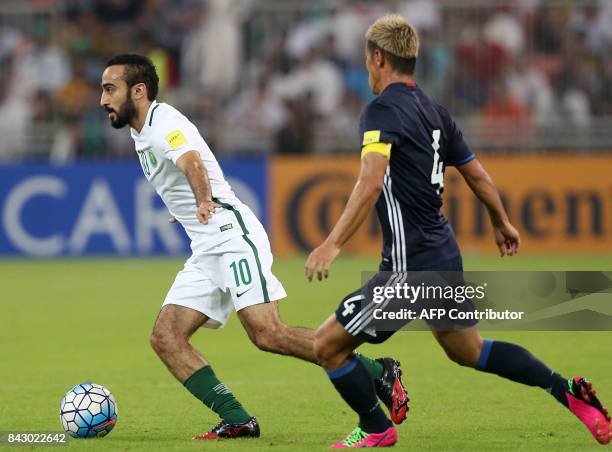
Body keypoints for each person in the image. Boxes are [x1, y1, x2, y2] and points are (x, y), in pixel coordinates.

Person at [305, 15, 611, 449]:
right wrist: (500, 220)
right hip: (443, 256)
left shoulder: (380, 111)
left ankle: (376, 427)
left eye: (368, 62)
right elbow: (478, 175)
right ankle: (566, 390)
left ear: (378, 58)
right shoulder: (435, 112)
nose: (368, 71)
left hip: (409, 271)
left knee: (327, 346)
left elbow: (370, 182)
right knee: (470, 350)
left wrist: (332, 243)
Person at [99, 54, 408, 440]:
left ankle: (379, 371)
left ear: (138, 90)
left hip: (231, 236)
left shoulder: (164, 122)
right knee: (166, 337)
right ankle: (238, 420)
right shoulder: (141, 129)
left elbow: (192, 161)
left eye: (110, 89)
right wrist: (189, 208)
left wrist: (202, 199)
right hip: (206, 243)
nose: (103, 99)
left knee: (267, 333)